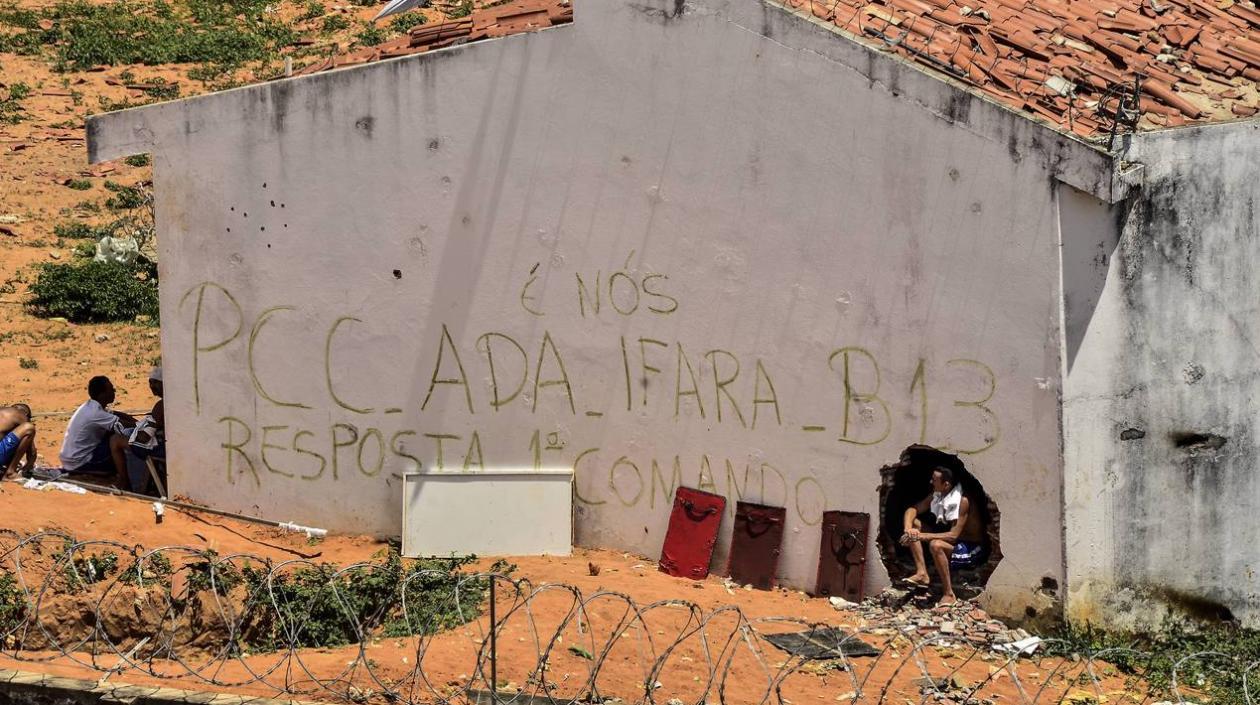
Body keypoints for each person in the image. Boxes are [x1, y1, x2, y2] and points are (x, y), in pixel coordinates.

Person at [899, 466, 985, 605]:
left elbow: (953, 536)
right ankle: (922, 573)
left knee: (936, 545)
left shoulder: (962, 501)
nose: (930, 482)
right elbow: (913, 509)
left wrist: (919, 537)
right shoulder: (938, 494)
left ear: (946, 485)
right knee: (915, 524)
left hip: (971, 549)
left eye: (934, 480)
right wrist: (908, 529)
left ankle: (949, 594)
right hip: (954, 544)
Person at [59, 376, 137, 488]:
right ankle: (124, 480)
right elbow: (122, 425)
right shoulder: (96, 413)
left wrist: (132, 419)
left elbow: (116, 415)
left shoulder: (91, 406)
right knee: (119, 440)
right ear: (102, 394)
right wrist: (143, 425)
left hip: (71, 458)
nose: (114, 392)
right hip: (79, 463)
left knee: (112, 433)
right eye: (111, 390)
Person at [0, 403, 36, 479]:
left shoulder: (3, 412)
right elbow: (32, 453)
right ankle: (10, 472)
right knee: (29, 428)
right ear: (26, 414)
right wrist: (29, 466)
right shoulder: (21, 415)